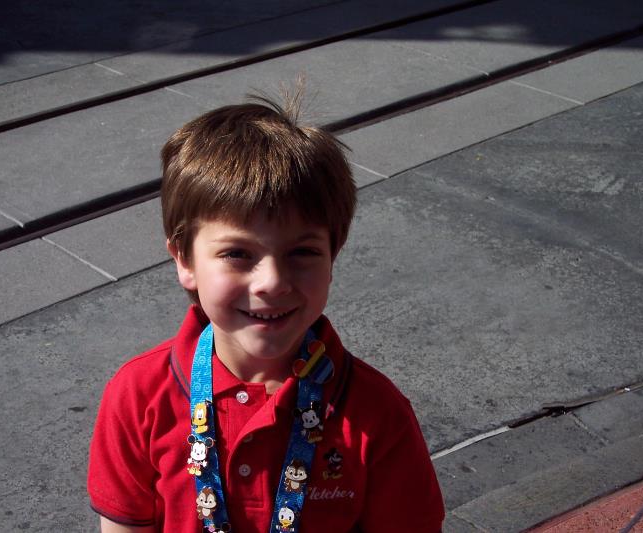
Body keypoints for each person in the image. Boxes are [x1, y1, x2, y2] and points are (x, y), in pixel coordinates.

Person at [87, 91, 444, 533]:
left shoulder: (376, 413)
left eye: (302, 252)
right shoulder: (138, 396)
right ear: (184, 260)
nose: (272, 282)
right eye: (237, 253)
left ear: (333, 255)